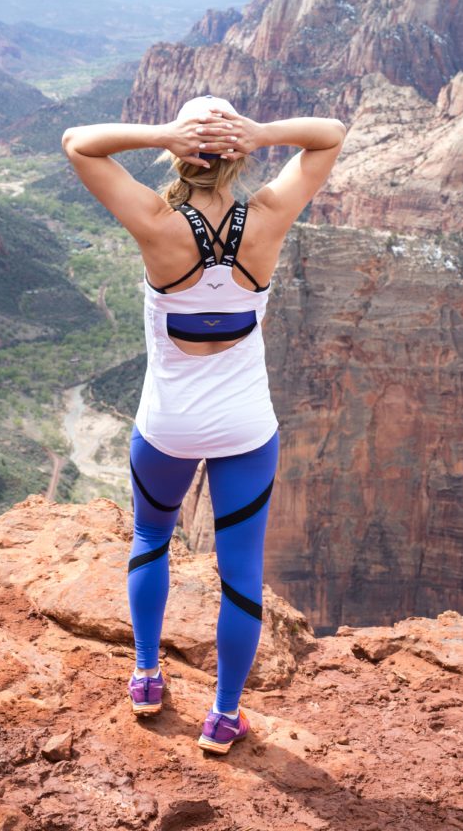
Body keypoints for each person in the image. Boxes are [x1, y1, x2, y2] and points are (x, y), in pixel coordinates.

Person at [62, 93, 345, 754]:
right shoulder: (270, 216)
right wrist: (264, 131)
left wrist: (165, 131)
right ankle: (221, 717)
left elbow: (78, 140)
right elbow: (328, 135)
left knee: (150, 540)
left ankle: (145, 676)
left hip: (167, 426)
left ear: (182, 154)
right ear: (237, 155)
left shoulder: (157, 222)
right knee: (240, 572)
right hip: (246, 429)